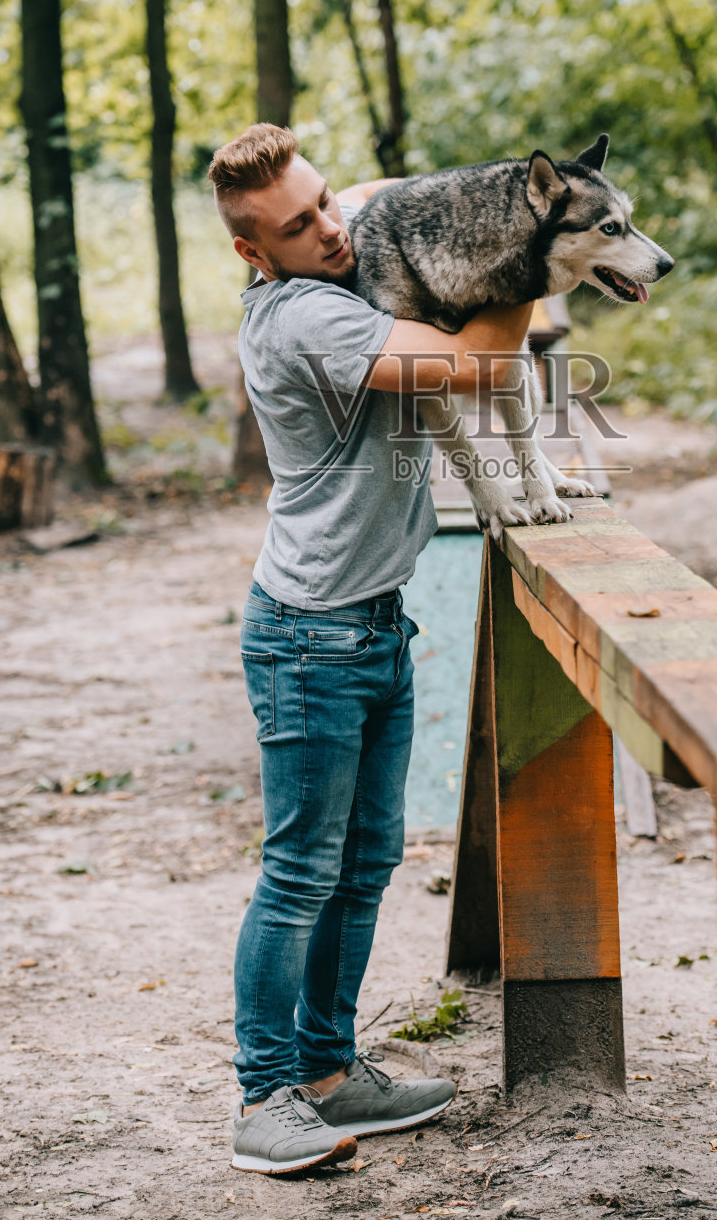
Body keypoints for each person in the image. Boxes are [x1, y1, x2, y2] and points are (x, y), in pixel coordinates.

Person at [207, 123, 533, 1176]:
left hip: (371, 620)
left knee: (364, 864)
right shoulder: (311, 318)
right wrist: (534, 238)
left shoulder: (342, 267)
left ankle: (331, 1069)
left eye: (329, 200)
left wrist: (424, 200)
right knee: (302, 871)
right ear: (256, 255)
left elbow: (392, 197)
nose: (331, 228)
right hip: (310, 637)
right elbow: (483, 367)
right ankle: (267, 1096)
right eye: (297, 225)